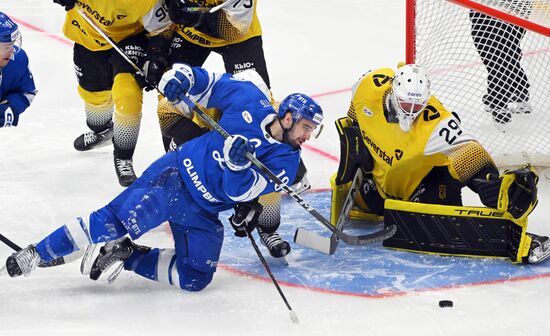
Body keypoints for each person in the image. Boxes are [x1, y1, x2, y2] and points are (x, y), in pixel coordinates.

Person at [1, 64, 324, 292]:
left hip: (204, 210)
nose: (308, 136)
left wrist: (237, 166)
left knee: (195, 277)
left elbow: (239, 193)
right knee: (110, 221)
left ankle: (126, 254)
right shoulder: (249, 100)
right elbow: (206, 82)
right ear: (288, 116)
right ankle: (35, 253)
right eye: (306, 127)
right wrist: (180, 77)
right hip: (173, 177)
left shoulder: (286, 160)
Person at [332, 63, 548, 263]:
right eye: (406, 103)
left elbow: (467, 150)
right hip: (380, 183)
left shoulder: (435, 122)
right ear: (393, 92)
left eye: (418, 106)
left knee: (436, 225)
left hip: (425, 183)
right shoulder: (368, 87)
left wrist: (493, 186)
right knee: (370, 204)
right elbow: (355, 114)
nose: (411, 111)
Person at [142, 0, 296, 259]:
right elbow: (161, 15)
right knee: (168, 101)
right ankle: (178, 178)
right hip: (189, 35)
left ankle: (268, 226)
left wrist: (194, 15)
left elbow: (234, 27)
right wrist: (157, 50)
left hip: (237, 34)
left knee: (264, 118)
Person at [51, 0, 171, 186]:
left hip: (130, 38)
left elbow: (162, 28)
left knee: (128, 93)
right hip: (88, 36)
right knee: (94, 98)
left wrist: (156, 56)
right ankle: (102, 130)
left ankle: (123, 157)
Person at [469, 3, 532, 125]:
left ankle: (499, 104)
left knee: (499, 50)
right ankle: (518, 90)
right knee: (486, 43)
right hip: (485, 5)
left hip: (511, 7)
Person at [0, 12, 37, 128]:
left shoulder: (18, 61)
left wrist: (11, 106)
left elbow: (26, 92)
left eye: (12, 45)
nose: (12, 52)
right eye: (7, 47)